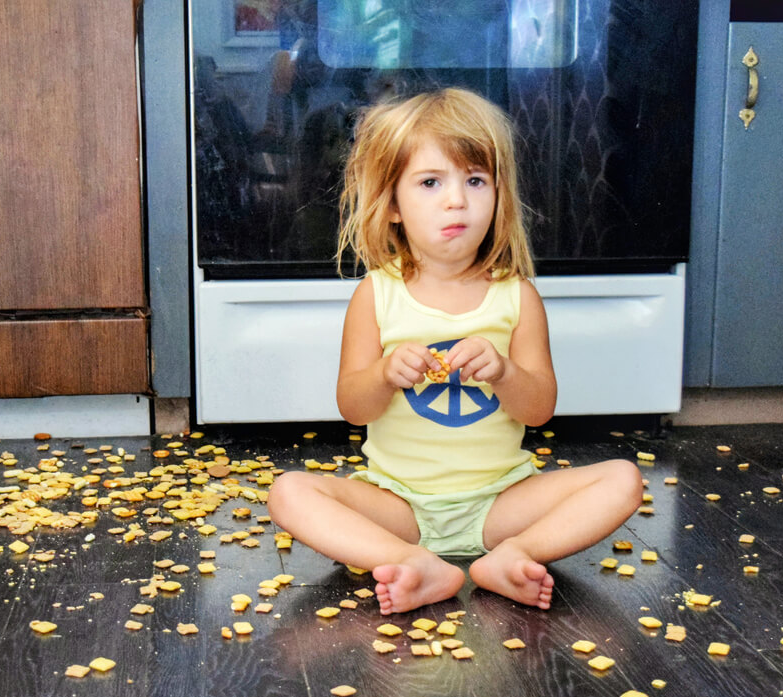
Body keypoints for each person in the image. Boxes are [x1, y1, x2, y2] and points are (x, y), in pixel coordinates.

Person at [267, 88, 643, 615]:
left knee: (623, 480)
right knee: (288, 493)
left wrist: (506, 371)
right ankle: (408, 560)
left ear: (498, 195)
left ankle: (512, 557)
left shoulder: (517, 297)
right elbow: (354, 408)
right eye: (430, 182)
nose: (456, 200)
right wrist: (384, 374)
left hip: (500, 502)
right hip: (398, 502)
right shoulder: (377, 294)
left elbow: (538, 410)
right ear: (393, 205)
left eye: (475, 181)